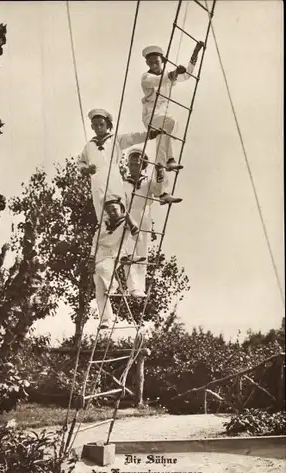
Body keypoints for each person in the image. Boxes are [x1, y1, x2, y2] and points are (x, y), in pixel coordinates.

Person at [78, 108, 162, 223]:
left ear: (107, 125)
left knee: (116, 206)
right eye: (95, 125)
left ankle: (128, 224)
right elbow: (81, 162)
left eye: (101, 124)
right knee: (102, 214)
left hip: (112, 177)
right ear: (92, 127)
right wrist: (86, 170)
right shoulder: (89, 146)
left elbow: (133, 137)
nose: (98, 128)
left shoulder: (116, 139)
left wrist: (149, 135)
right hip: (97, 181)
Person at [141, 41, 205, 170]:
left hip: (163, 115)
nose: (154, 65)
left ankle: (161, 165)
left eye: (156, 62)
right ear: (147, 63)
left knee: (164, 132)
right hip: (150, 116)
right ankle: (169, 159)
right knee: (169, 122)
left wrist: (195, 52)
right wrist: (173, 74)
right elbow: (157, 80)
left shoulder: (168, 74)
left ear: (162, 61)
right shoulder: (146, 77)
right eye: (151, 62)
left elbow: (187, 75)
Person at [89, 198, 145, 329]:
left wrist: (131, 223)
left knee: (102, 269)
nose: (112, 213)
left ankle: (114, 285)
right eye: (109, 211)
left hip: (116, 254)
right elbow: (95, 242)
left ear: (121, 209)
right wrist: (90, 259)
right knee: (99, 289)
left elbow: (139, 239)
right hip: (100, 254)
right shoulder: (103, 224)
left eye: (114, 209)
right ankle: (106, 320)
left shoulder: (126, 222)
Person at [122, 148, 171, 296]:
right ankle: (133, 287)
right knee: (128, 251)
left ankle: (140, 287)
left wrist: (159, 172)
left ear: (143, 165)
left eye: (138, 164)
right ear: (128, 165)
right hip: (128, 215)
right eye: (132, 164)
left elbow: (158, 190)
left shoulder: (147, 181)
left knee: (142, 251)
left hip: (144, 215)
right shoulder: (123, 182)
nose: (134, 167)